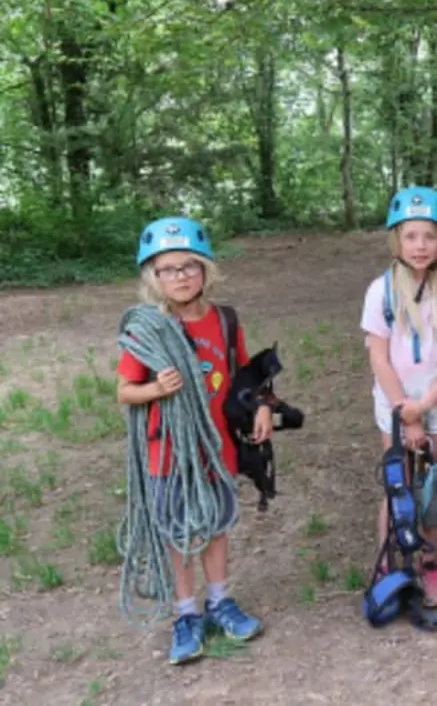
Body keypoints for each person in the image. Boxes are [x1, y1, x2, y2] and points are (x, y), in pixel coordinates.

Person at [117, 217, 270, 665]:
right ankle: (186, 613)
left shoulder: (224, 320)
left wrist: (261, 405)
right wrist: (155, 390)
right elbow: (124, 392)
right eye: (168, 269)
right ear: (153, 277)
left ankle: (219, 601)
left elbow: (245, 375)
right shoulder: (147, 330)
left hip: (216, 449)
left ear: (205, 269)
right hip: (169, 456)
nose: (180, 276)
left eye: (189, 266)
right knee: (181, 534)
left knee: (217, 526)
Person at [360, 187, 437, 609]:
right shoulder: (380, 291)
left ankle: (430, 558)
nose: (420, 246)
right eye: (411, 236)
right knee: (398, 485)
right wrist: (408, 412)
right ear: (396, 240)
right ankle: (390, 558)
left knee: (432, 486)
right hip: (395, 402)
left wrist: (427, 405)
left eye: (429, 236)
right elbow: (379, 358)